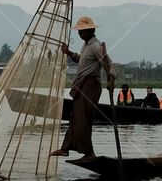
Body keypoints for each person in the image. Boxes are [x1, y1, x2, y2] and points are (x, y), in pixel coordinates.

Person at [50, 16, 117, 162]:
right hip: (83, 84)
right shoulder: (87, 45)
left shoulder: (96, 46)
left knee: (83, 118)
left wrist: (111, 80)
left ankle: (88, 153)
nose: (79, 34)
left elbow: (110, 64)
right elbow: (82, 60)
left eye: (81, 31)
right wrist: (68, 52)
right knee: (76, 116)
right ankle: (66, 148)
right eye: (79, 31)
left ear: (89, 31)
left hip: (91, 86)